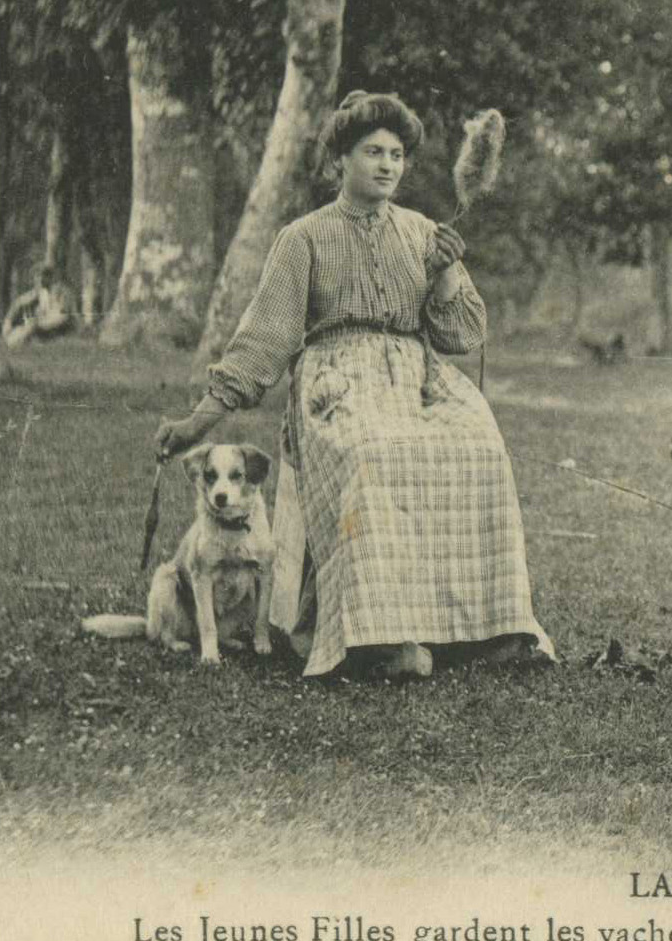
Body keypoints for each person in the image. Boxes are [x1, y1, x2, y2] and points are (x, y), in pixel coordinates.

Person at [155, 91, 555, 680]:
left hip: (415, 379)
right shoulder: (303, 239)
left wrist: (444, 271)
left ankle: (484, 630)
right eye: (373, 151)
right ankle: (380, 639)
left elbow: (465, 332)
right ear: (340, 159)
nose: (388, 165)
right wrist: (199, 422)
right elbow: (263, 343)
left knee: (479, 447)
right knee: (374, 455)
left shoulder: (423, 233)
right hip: (335, 386)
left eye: (397, 154)